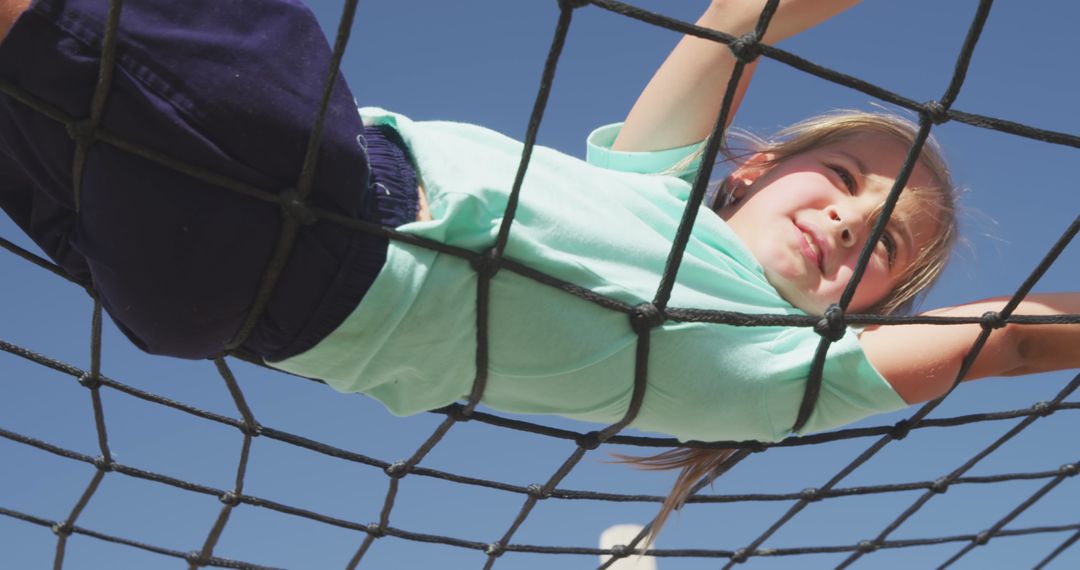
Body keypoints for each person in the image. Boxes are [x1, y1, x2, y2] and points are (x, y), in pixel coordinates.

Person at [0, 0, 1076, 536]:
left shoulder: (789, 373)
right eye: (840, 177)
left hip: (324, 229)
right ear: (749, 175)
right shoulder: (656, 185)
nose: (848, 220)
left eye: (883, 243)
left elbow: (1015, 336)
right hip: (217, 285)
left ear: (881, 307)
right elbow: (743, 19)